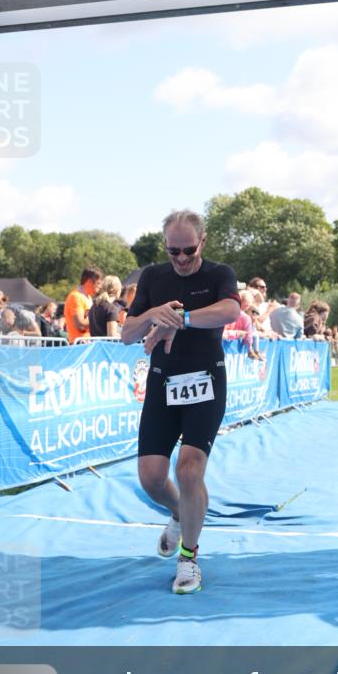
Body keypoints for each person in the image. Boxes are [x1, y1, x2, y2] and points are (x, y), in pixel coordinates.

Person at [121, 209, 240, 595]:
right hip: (162, 384)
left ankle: (189, 557)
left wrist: (180, 319)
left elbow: (231, 311)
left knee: (190, 470)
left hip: (205, 382)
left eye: (189, 250)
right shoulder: (154, 277)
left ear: (202, 242)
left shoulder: (219, 273)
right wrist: (153, 314)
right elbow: (127, 334)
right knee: (152, 479)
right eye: (174, 251)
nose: (182, 259)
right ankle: (178, 511)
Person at [64, 267, 103, 344]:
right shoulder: (75, 296)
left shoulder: (89, 298)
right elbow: (80, 325)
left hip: (87, 343)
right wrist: (99, 319)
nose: (100, 287)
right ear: (89, 282)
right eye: (98, 283)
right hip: (78, 344)